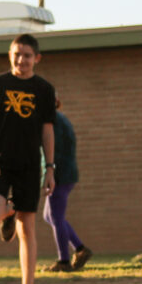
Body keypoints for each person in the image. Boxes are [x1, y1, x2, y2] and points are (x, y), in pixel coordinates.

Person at [0, 34, 56, 284]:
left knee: (27, 227)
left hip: (29, 165)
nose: (21, 59)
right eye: (16, 54)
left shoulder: (44, 89)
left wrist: (50, 169)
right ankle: (7, 212)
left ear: (37, 58)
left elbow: (48, 130)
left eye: (26, 55)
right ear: (9, 55)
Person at [44, 99, 92, 272]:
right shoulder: (60, 118)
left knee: (56, 217)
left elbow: (52, 150)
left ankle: (63, 260)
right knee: (49, 216)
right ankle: (80, 249)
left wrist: (48, 173)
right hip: (66, 173)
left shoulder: (53, 122)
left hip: (60, 174)